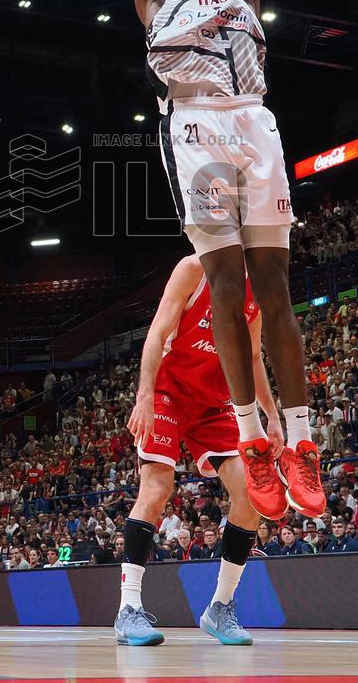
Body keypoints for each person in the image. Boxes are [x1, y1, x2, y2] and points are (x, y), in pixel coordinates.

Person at [121, 0, 324, 521]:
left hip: (252, 121)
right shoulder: (158, 4)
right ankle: (251, 439)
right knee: (229, 286)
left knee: (274, 288)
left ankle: (300, 440)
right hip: (200, 129)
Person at [114, 255, 283, 647]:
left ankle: (220, 607)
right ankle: (128, 608)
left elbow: (251, 357)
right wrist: (145, 395)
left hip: (215, 404)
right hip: (169, 392)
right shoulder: (194, 268)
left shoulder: (257, 287)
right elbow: (157, 331)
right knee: (157, 490)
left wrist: (272, 415)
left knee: (250, 495)